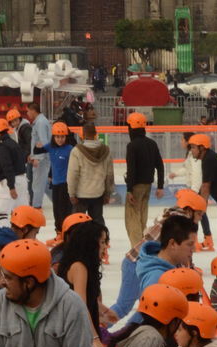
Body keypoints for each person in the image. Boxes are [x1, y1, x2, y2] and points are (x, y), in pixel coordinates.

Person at [57, 217, 107, 347]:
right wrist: (95, 339)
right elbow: (81, 306)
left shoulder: (81, 264)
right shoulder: (79, 267)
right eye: (102, 242)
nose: (105, 247)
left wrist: (103, 310)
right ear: (91, 244)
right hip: (72, 334)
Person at [123, 112, 165, 247]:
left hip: (136, 187)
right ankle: (143, 245)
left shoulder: (132, 146)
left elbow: (132, 169)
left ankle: (137, 249)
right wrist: (160, 186)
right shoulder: (152, 143)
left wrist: (129, 189)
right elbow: (160, 165)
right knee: (142, 218)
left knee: (132, 219)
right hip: (148, 185)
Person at [66, 122, 114, 223]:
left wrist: (71, 193)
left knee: (77, 224)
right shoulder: (106, 150)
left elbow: (73, 175)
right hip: (98, 193)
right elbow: (109, 175)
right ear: (96, 134)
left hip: (81, 195)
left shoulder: (76, 151)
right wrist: (107, 194)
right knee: (97, 224)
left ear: (83, 135)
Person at [136, 214, 198, 290]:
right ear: (172, 244)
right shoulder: (156, 279)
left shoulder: (177, 266)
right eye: (190, 244)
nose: (194, 249)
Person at [35, 121, 76, 232]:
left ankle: (67, 231)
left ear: (66, 137)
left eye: (62, 137)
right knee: (56, 210)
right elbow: (37, 150)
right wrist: (36, 145)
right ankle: (58, 231)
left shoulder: (70, 149)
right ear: (53, 137)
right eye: (57, 137)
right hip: (55, 184)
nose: (60, 139)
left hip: (66, 185)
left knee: (65, 210)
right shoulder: (51, 147)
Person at [0, 117, 29, 210]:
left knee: (1, 212)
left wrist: (11, 186)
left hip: (11, 182)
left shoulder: (2, 147)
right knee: (21, 212)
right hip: (21, 180)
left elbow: (7, 167)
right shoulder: (13, 143)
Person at [26, 101, 52, 209]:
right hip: (40, 158)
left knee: (37, 186)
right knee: (42, 185)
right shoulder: (40, 121)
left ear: (33, 111)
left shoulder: (40, 123)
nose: (27, 113)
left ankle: (36, 208)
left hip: (41, 159)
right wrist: (32, 155)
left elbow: (43, 142)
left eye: (28, 111)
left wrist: (37, 158)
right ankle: (62, 204)